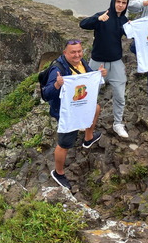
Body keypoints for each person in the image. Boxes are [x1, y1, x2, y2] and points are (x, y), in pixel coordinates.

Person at [42, 39, 107, 190]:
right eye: (73, 52)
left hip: (80, 104)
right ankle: (58, 172)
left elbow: (88, 76)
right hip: (67, 111)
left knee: (96, 108)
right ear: (65, 53)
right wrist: (57, 84)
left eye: (79, 51)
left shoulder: (81, 62)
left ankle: (88, 138)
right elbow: (46, 94)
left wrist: (98, 74)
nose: (77, 55)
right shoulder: (57, 69)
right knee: (64, 144)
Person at [79, 0, 130, 138]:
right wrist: (97, 19)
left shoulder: (124, 20)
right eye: (118, 2)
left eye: (123, 3)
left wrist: (132, 27)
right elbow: (83, 24)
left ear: (126, 5)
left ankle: (118, 123)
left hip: (116, 63)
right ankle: (85, 120)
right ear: (113, 1)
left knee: (120, 95)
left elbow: (133, 35)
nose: (120, 5)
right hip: (97, 62)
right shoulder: (103, 15)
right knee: (91, 94)